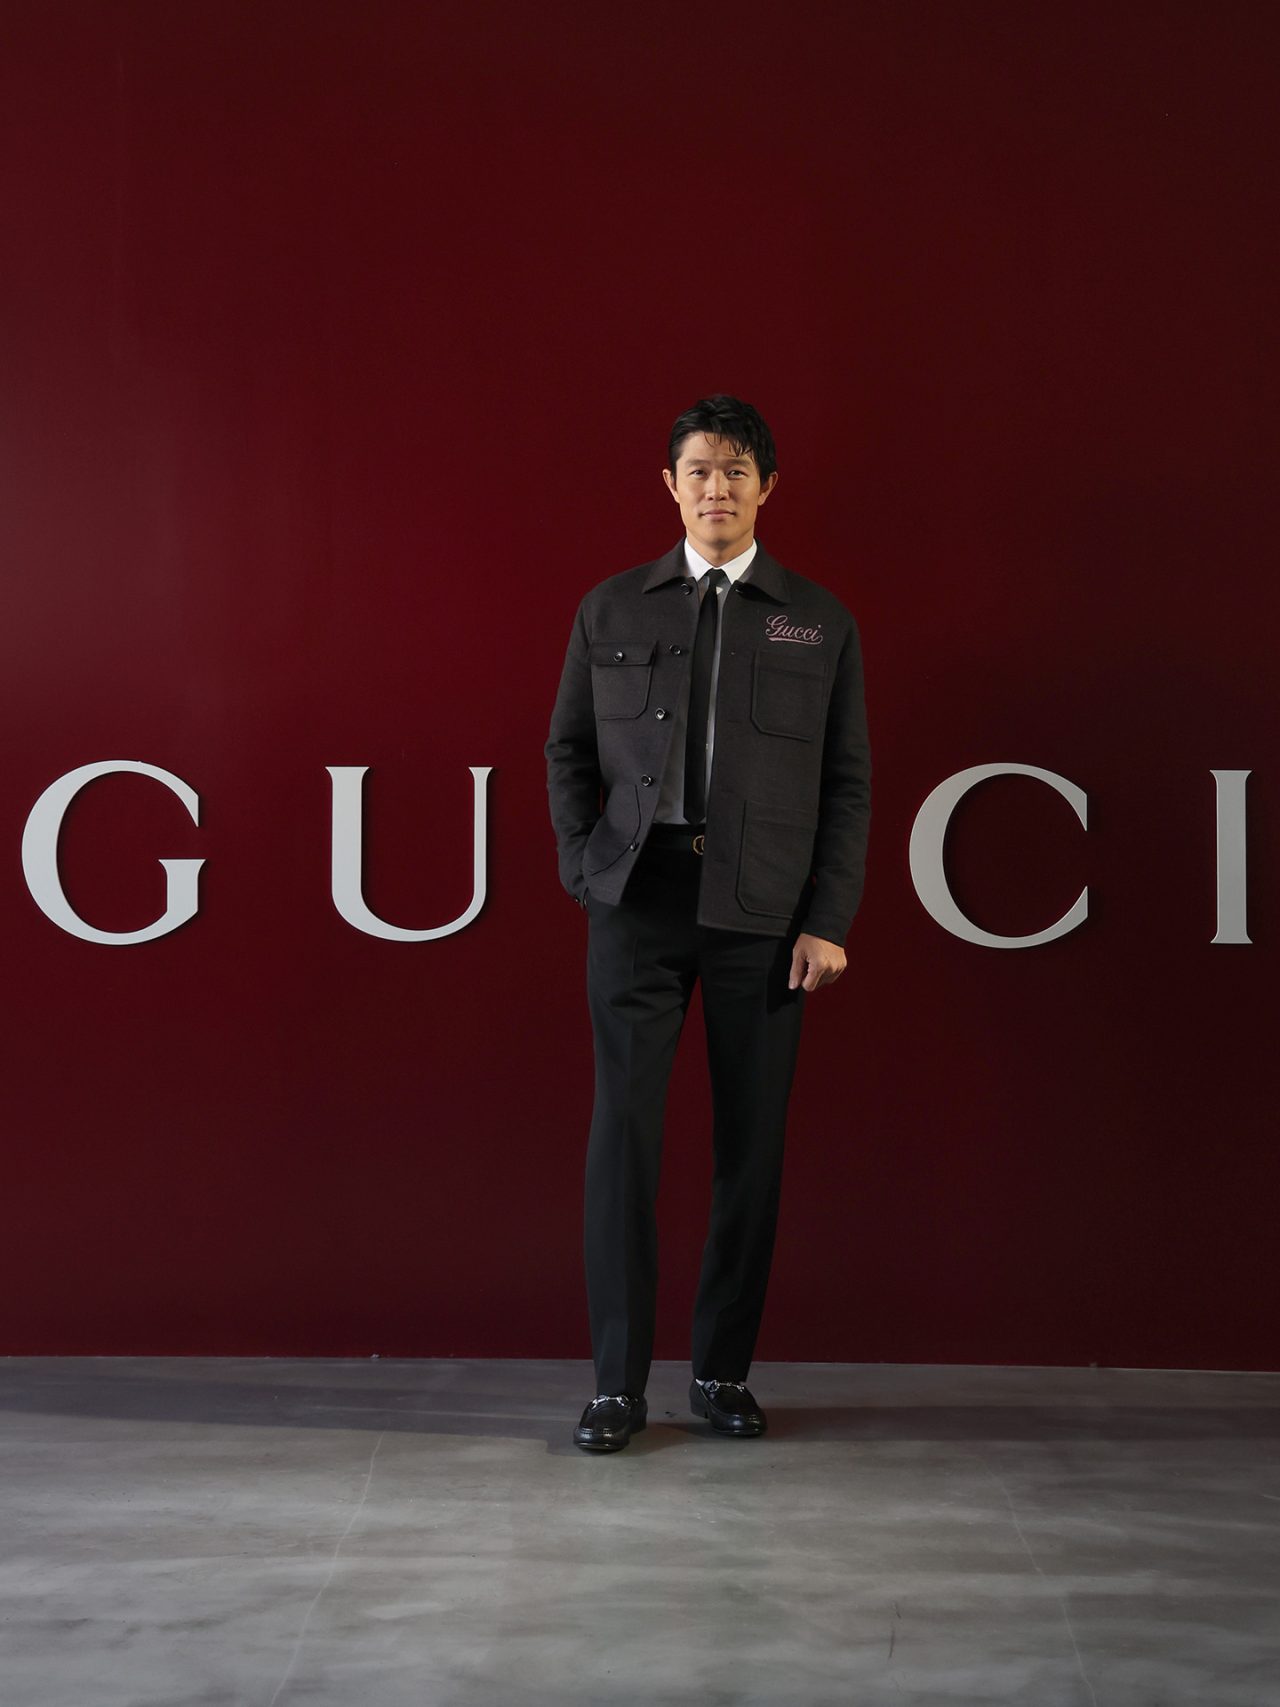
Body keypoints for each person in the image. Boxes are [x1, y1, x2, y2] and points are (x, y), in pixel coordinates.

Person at [544, 395, 871, 1451]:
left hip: (761, 918)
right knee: (623, 1143)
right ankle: (615, 1386)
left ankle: (722, 1372)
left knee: (750, 1149)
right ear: (670, 485)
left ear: (766, 486)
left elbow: (847, 784)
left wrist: (825, 917)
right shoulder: (610, 608)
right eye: (698, 470)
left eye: (735, 470)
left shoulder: (816, 619)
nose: (715, 488)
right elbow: (567, 752)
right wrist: (584, 866)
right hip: (636, 906)